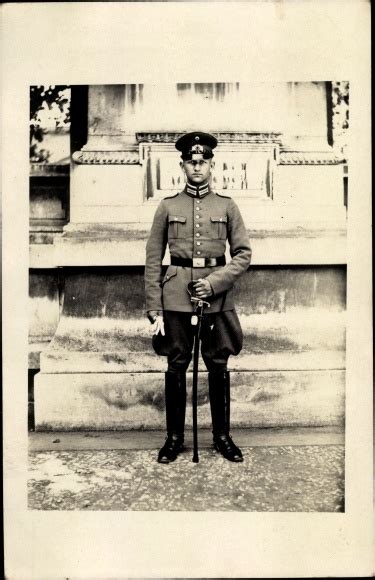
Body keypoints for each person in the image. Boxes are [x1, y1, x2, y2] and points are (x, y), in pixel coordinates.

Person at [145, 131, 252, 464]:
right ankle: (174, 439)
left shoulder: (227, 206)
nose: (196, 167)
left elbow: (243, 253)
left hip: (216, 299)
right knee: (177, 363)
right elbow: (152, 257)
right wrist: (154, 305)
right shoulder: (167, 207)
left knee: (218, 363)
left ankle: (222, 437)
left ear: (211, 164)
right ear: (182, 165)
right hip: (175, 296)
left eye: (202, 161)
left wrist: (215, 282)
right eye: (191, 162)